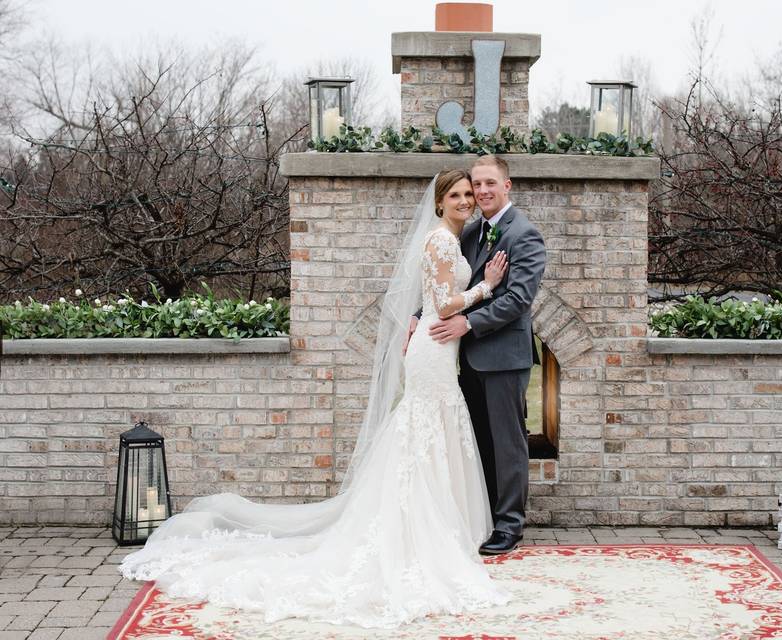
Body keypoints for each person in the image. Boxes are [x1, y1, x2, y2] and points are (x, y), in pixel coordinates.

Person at [119, 170, 512, 627]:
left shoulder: (449, 239)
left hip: (437, 347)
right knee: (426, 428)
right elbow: (445, 305)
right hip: (435, 348)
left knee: (426, 430)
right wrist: (488, 283)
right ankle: (421, 529)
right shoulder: (442, 242)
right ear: (440, 202)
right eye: (457, 194)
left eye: (470, 194)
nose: (466, 200)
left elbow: (432, 300)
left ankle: (433, 523)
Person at [406, 156, 547, 555]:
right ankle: (483, 517)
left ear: (507, 186)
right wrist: (418, 318)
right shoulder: (468, 233)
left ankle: (509, 525)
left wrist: (468, 324)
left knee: (508, 443)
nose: (481, 192)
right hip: (465, 356)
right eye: (475, 185)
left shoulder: (524, 235)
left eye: (488, 184)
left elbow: (518, 299)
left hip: (504, 356)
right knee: (479, 441)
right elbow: (446, 288)